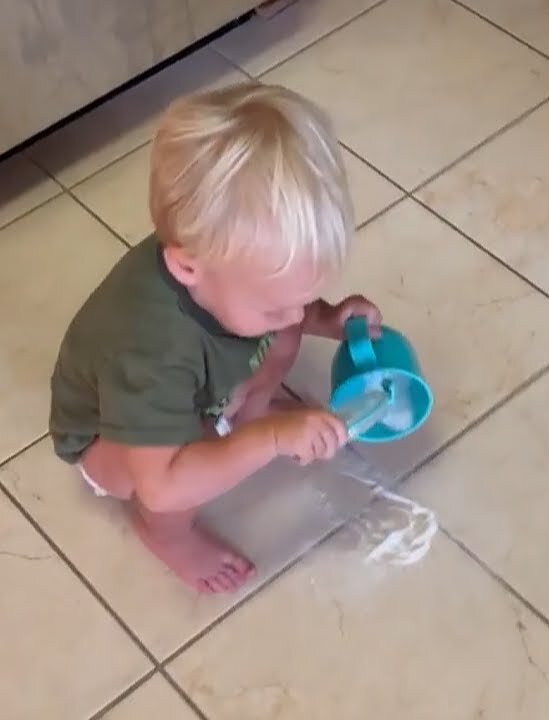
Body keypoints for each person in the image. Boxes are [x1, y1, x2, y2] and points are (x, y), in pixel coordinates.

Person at [48, 83, 383, 595]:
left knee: (283, 331)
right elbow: (161, 486)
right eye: (276, 303)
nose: (296, 312)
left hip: (194, 383)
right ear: (186, 266)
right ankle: (169, 540)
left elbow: (287, 307)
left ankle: (245, 414)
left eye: (308, 294)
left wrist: (327, 318)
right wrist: (267, 440)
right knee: (176, 482)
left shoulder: (219, 259)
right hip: (110, 440)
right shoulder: (150, 355)